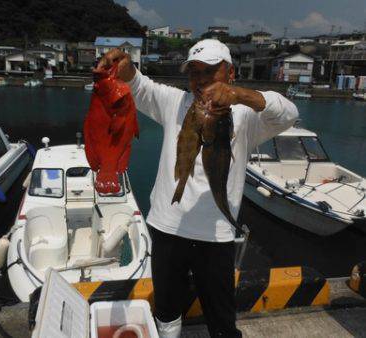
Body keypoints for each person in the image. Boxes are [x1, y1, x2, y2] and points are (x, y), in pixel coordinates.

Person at [95, 39, 298, 338]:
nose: (201, 80)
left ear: (230, 72)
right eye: (194, 72)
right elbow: (140, 87)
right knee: (165, 309)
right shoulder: (175, 103)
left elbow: (287, 113)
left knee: (221, 317)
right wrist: (125, 67)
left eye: (210, 71)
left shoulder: (245, 117)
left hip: (215, 234)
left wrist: (239, 96)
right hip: (167, 227)